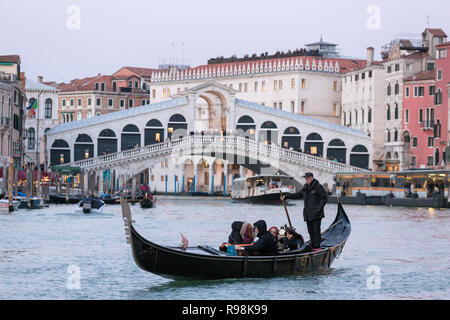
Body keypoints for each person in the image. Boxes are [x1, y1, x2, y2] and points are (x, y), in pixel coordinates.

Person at [300, 172, 327, 250]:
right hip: (308, 214)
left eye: (308, 178)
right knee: (310, 231)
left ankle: (317, 246)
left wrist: (318, 209)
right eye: (306, 178)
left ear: (312, 178)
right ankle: (313, 244)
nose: (306, 179)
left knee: (316, 231)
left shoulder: (318, 187)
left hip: (316, 214)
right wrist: (286, 196)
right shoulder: (305, 188)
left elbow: (324, 199)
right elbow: (297, 195)